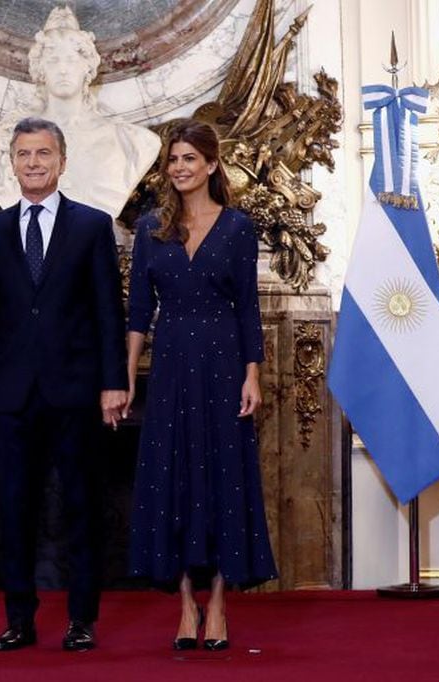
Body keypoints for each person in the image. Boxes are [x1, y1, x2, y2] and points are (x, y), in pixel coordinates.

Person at [0, 117, 128, 652]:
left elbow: (109, 311)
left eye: (43, 154)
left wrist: (113, 382)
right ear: (11, 163)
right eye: (24, 155)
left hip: (76, 392)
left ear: (62, 161)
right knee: (13, 511)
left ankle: (82, 619)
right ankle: (20, 620)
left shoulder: (91, 226)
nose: (33, 163)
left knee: (81, 506)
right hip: (10, 396)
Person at [123, 120, 277, 651]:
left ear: (212, 164)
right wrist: (125, 375)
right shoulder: (150, 228)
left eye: (190, 158)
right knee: (174, 476)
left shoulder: (237, 227)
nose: (180, 168)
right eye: (173, 160)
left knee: (222, 478)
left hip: (223, 360)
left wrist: (252, 374)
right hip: (169, 364)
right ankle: (185, 605)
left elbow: (249, 309)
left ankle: (218, 605)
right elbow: (139, 312)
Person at [0, 7, 160, 219]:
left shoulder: (132, 142)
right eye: (54, 60)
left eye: (72, 60)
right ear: (40, 69)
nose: (63, 69)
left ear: (88, 68)